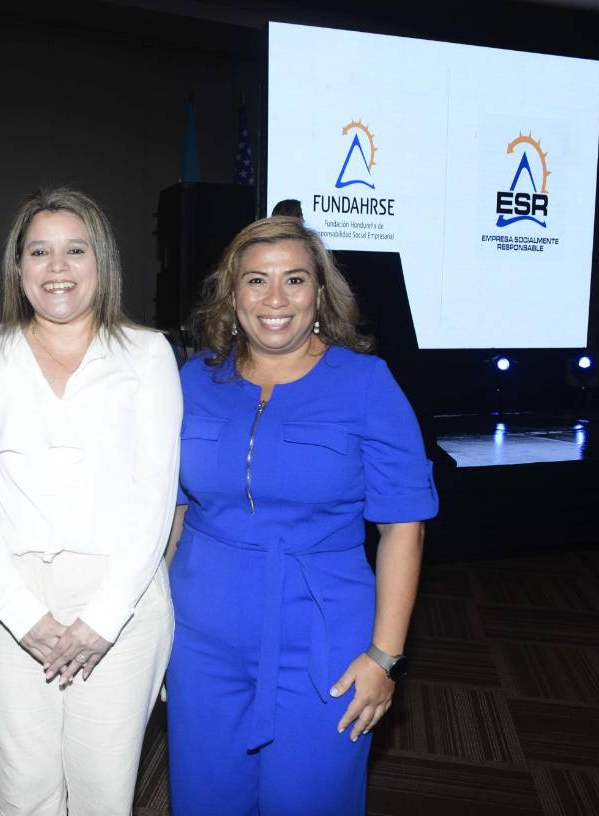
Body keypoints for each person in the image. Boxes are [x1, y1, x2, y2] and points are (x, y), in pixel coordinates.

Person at [165, 216, 437, 815]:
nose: (275, 299)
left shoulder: (366, 384)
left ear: (320, 293)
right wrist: (153, 629)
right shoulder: (192, 381)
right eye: (255, 280)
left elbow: (403, 528)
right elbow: (172, 510)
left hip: (325, 645)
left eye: (295, 280)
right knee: (204, 800)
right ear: (231, 294)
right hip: (200, 640)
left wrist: (385, 656)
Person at [0, 188, 182, 815]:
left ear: (100, 262)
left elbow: (154, 497)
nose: (57, 267)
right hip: (9, 599)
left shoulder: (148, 354)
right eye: (39, 252)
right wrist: (21, 613)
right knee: (22, 796)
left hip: (122, 599)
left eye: (74, 250)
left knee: (103, 798)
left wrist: (103, 619)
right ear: (17, 268)